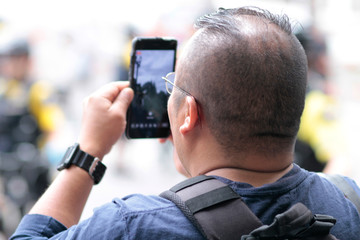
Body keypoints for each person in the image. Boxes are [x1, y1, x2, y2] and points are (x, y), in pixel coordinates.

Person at [11, 6, 360, 239]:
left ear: (189, 114)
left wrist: (86, 154)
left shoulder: (130, 226)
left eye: (172, 87)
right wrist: (199, 177)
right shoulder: (349, 201)